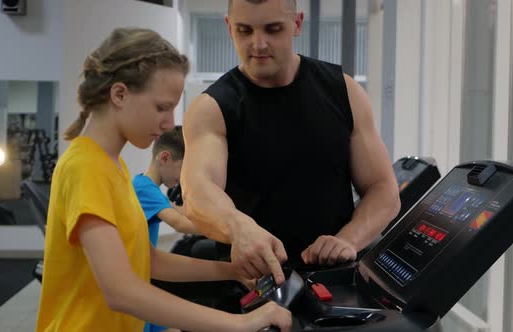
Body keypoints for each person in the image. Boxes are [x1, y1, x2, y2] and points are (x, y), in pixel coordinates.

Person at [36, 27, 291, 332]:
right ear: (119, 94)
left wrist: (231, 270)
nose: (170, 123)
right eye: (161, 107)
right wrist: (240, 323)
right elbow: (121, 291)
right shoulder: (85, 166)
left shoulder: (113, 167)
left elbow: (147, 260)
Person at [182, 0, 401, 285]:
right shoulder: (213, 107)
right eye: (244, 31)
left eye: (273, 30)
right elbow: (197, 192)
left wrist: (348, 240)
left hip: (335, 280)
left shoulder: (343, 90)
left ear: (297, 24)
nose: (258, 44)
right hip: (254, 284)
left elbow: (383, 189)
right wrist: (239, 228)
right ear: (228, 28)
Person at [132, 125, 197, 332]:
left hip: (145, 279)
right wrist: (228, 231)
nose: (183, 178)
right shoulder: (143, 188)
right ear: (165, 158)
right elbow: (178, 223)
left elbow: (177, 210)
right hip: (136, 285)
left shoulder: (148, 186)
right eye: (183, 169)